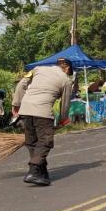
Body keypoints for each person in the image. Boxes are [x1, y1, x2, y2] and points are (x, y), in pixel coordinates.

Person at [12, 58, 74, 186]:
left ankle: (42, 173)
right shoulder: (66, 80)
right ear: (67, 68)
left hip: (26, 109)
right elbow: (65, 104)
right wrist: (63, 119)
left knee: (33, 143)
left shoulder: (38, 69)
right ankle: (33, 172)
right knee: (46, 142)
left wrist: (16, 104)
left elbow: (21, 85)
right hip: (43, 112)